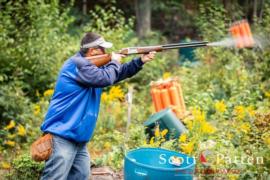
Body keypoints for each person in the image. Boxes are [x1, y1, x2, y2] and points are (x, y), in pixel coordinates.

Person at [40, 32, 156, 180]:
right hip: (62, 135)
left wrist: (140, 61)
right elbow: (105, 78)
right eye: (103, 49)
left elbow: (116, 74)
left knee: (81, 175)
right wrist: (114, 61)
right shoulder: (78, 65)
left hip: (78, 138)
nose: (106, 53)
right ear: (93, 50)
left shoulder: (90, 68)